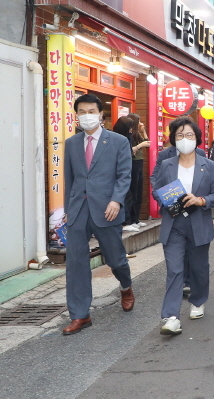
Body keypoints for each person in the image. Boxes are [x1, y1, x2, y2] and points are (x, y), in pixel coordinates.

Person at [62, 94, 135, 335]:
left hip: (107, 209)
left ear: (101, 114)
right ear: (77, 115)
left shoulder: (118, 141)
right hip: (78, 210)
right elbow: (70, 180)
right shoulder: (71, 143)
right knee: (75, 263)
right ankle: (80, 314)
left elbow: (125, 175)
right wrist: (68, 210)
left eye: (90, 110)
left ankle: (125, 285)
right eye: (81, 111)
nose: (86, 115)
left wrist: (116, 200)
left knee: (115, 259)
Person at [152, 117, 214, 335]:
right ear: (174, 138)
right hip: (174, 224)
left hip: (198, 222)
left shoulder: (208, 165)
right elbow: (156, 188)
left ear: (197, 139)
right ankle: (171, 316)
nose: (185, 139)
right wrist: (166, 198)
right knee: (175, 269)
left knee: (199, 267)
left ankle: (198, 300)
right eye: (180, 135)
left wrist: (201, 200)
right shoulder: (166, 165)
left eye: (190, 135)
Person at [111, 116, 138, 233]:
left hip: (127, 169)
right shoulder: (116, 139)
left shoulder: (127, 137)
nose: (132, 130)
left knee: (130, 195)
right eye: (130, 128)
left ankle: (131, 220)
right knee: (125, 196)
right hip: (117, 172)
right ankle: (125, 222)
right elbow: (130, 151)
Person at [127, 113, 151, 231]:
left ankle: (136, 219)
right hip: (133, 164)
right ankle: (132, 219)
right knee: (133, 192)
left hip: (139, 162)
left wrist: (144, 131)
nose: (141, 123)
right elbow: (129, 151)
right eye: (139, 121)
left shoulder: (136, 134)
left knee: (139, 191)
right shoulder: (128, 135)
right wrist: (139, 146)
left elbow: (147, 142)